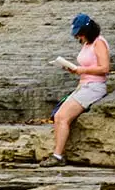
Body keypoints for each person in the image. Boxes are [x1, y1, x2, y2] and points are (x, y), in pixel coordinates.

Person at [39, 13, 110, 167]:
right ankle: (57, 153)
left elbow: (104, 68)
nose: (78, 37)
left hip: (94, 86)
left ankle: (58, 156)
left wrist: (81, 69)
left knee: (63, 117)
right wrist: (75, 71)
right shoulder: (86, 44)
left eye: (80, 33)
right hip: (83, 85)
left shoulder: (99, 42)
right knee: (58, 116)